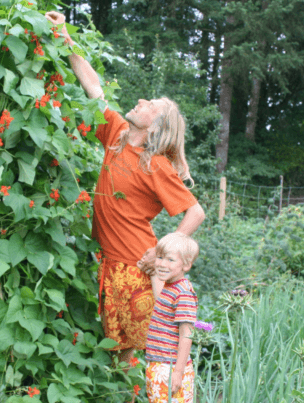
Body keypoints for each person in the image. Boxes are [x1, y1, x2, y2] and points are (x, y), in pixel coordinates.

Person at [44, 11, 206, 365]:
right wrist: (64, 38)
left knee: (156, 352)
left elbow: (195, 212)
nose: (141, 102)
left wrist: (161, 252)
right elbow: (94, 89)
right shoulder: (117, 135)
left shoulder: (155, 165)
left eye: (151, 105)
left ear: (156, 126)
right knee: (121, 355)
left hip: (136, 269)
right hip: (111, 265)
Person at [144, 232, 199, 403]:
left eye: (170, 260)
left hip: (170, 367)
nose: (161, 264)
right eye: (159, 257)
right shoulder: (171, 286)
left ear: (186, 265)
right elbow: (161, 300)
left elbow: (186, 335)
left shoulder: (183, 293)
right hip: (158, 364)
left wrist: (178, 372)